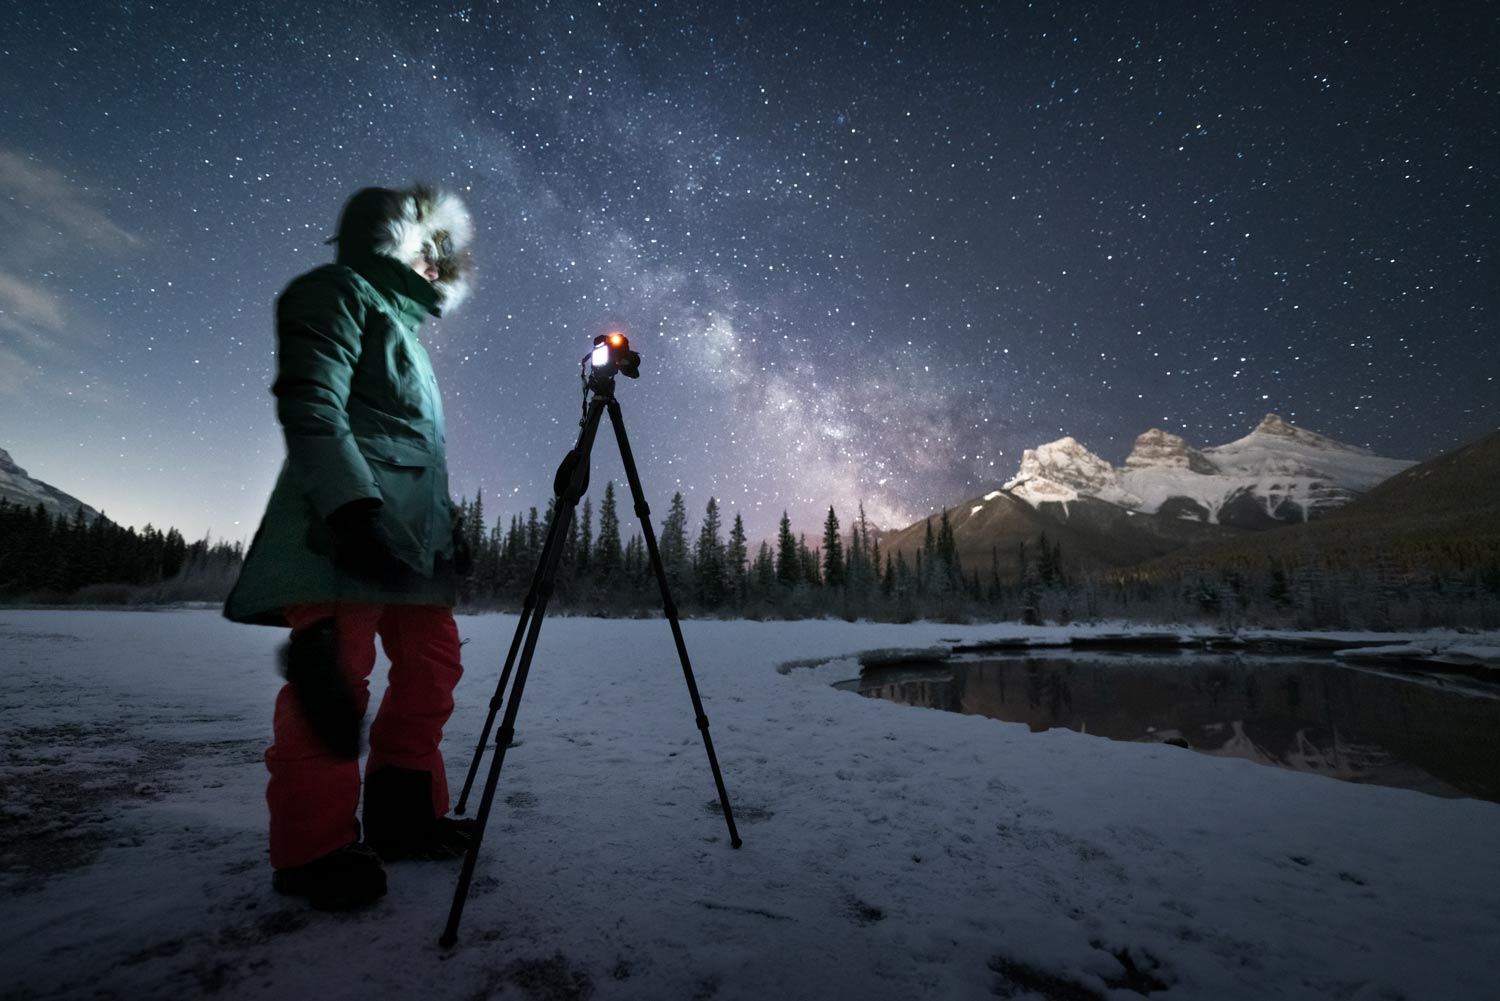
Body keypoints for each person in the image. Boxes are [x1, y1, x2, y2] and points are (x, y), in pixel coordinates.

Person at [224, 184, 478, 911]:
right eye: (425, 249)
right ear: (390, 239)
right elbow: (312, 402)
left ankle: (404, 817)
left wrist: (446, 526)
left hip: (411, 547)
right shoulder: (336, 291)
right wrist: (352, 507)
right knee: (334, 680)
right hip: (343, 531)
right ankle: (312, 851)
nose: (436, 264)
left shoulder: (412, 341)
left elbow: (412, 449)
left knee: (432, 667)